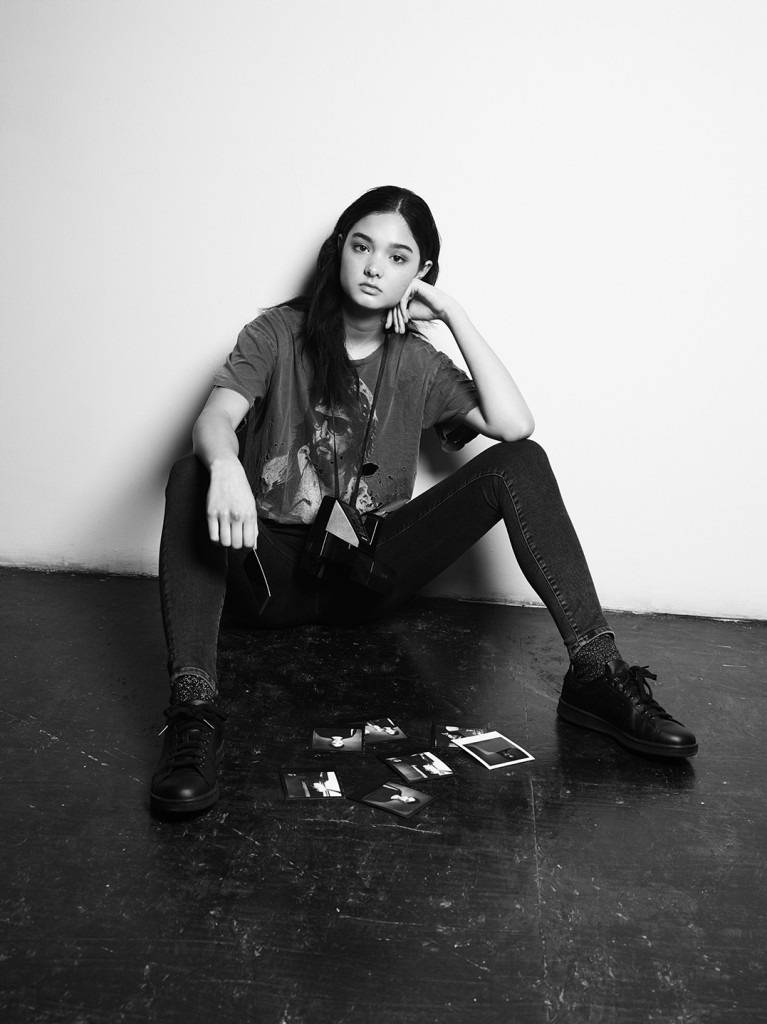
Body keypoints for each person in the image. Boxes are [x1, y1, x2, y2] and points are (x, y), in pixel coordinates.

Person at [150, 185, 697, 815]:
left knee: (522, 460)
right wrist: (224, 465)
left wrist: (452, 313)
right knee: (190, 472)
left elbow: (513, 424)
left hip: (366, 574)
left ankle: (596, 672)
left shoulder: (418, 361)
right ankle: (193, 711)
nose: (374, 267)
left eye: (398, 257)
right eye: (361, 247)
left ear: (420, 273)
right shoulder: (277, 332)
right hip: (268, 575)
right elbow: (216, 417)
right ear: (338, 250)